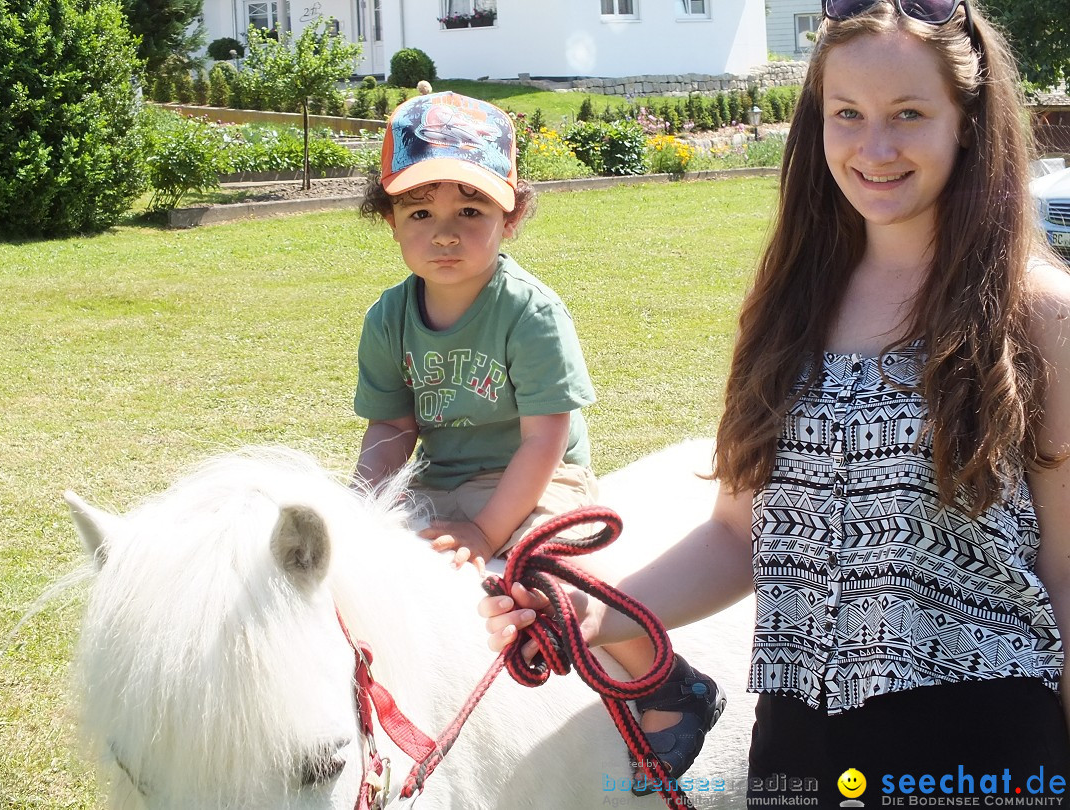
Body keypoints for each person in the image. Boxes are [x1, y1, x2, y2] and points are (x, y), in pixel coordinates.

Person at [481, 1, 1070, 804]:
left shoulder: (1040, 314)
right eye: (848, 115)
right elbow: (738, 535)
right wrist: (592, 613)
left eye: (909, 114)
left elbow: (1067, 574)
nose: (876, 147)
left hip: (981, 756)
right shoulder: (787, 306)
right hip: (799, 754)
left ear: (965, 122)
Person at [354, 91, 726, 787]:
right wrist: (360, 513)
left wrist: (487, 532)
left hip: (539, 477)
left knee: (552, 586)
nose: (444, 233)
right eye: (419, 212)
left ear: (511, 215)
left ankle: (672, 683)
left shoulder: (529, 311)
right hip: (442, 481)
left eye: (470, 210)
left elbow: (546, 439)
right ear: (389, 218)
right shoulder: (389, 318)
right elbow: (392, 427)